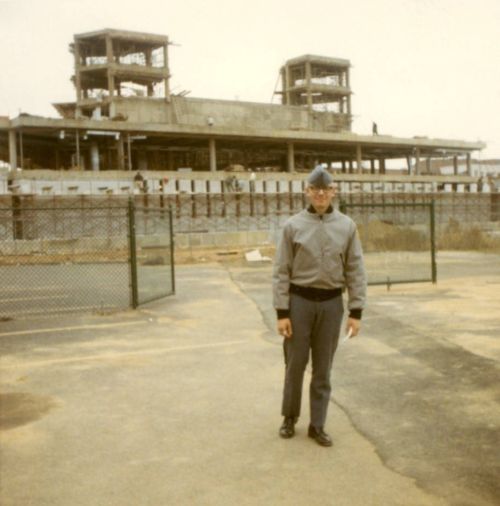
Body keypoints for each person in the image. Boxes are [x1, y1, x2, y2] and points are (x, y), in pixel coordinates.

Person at [272, 165, 367, 447]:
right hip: (299, 303)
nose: (321, 194)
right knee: (295, 365)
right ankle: (290, 417)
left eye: (326, 189)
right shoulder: (293, 226)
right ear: (307, 192)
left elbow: (355, 269)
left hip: (331, 305)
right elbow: (281, 271)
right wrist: (282, 313)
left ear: (334, 192)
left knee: (323, 369)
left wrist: (356, 312)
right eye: (315, 189)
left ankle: (318, 424)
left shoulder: (347, 226)